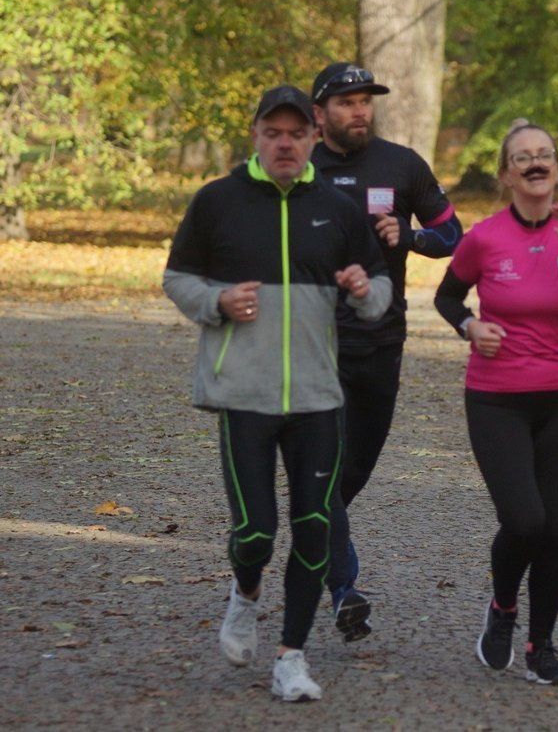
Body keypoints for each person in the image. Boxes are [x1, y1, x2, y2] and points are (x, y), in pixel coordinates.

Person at [163, 85, 392, 701]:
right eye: (274, 132)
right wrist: (215, 302)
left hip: (318, 397)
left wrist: (363, 290)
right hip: (244, 394)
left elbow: (380, 291)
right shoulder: (217, 203)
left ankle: (292, 655)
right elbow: (177, 277)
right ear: (256, 137)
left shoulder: (338, 210)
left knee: (314, 524)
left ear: (315, 136)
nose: (286, 143)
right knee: (257, 531)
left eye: (296, 133)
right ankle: (245, 594)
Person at [433, 120, 558, 685]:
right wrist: (471, 325)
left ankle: (540, 645)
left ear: (557, 167)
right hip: (497, 399)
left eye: (544, 154)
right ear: (506, 174)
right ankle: (502, 607)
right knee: (524, 520)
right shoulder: (484, 238)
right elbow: (447, 296)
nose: (534, 163)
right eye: (522, 157)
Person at [309, 62, 463, 641]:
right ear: (320, 112)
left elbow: (455, 236)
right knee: (321, 473)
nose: (359, 111)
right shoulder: (300, 167)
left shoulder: (402, 165)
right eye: (346, 102)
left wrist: (413, 235)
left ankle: (310, 531)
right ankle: (343, 588)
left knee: (348, 475)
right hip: (312, 346)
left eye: (366, 101)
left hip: (380, 344)